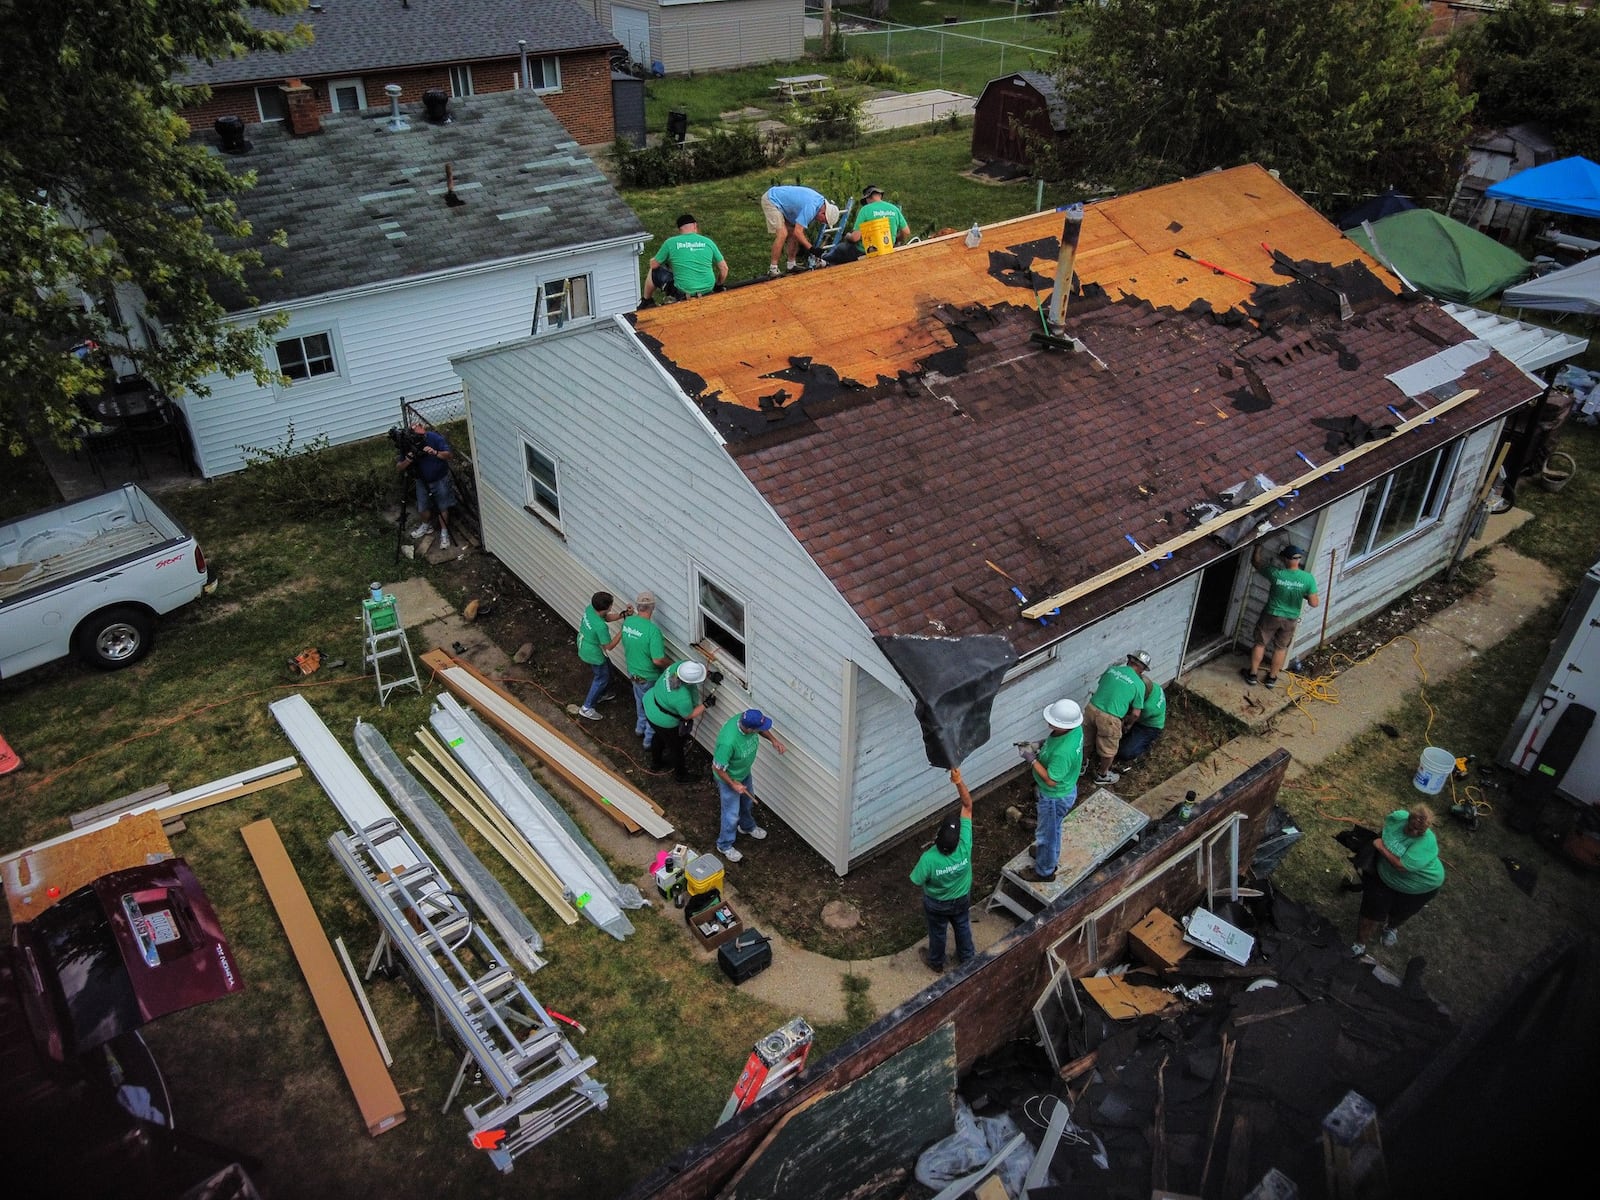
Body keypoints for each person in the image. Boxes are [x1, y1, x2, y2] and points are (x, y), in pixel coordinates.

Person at [1352, 805, 1445, 957]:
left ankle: (1391, 927)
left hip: (1420, 885)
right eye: (1412, 827)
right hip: (1386, 876)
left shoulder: (1426, 842)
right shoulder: (1397, 818)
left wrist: (1380, 846)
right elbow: (1387, 827)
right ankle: (1359, 945)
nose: (1415, 832)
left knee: (1401, 912)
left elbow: (1400, 866)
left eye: (1419, 831)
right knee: (1371, 911)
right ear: (1408, 819)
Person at [909, 767, 976, 974]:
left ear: (937, 838)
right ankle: (968, 959)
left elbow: (916, 880)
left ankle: (936, 962)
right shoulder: (964, 845)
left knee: (938, 932)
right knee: (962, 925)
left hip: (937, 903)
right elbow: (967, 805)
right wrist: (958, 781)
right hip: (962, 898)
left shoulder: (929, 859)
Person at [710, 708, 787, 863]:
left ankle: (746, 826)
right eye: (759, 728)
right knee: (731, 814)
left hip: (744, 773)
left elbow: (762, 730)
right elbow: (717, 767)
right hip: (729, 778)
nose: (762, 730)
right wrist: (733, 784)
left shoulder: (746, 720)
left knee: (747, 802)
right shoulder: (728, 741)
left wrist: (774, 740)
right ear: (749, 729)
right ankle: (724, 845)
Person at [1021, 699, 1083, 884]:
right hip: (1065, 790)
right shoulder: (1075, 730)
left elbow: (1051, 779)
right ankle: (1045, 855)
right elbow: (1054, 742)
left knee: (1047, 834)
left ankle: (1045, 870)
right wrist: (1038, 745)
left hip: (1054, 797)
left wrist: (1031, 759)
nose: (1049, 724)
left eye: (1054, 722)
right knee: (1052, 828)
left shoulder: (1063, 753)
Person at [1242, 542, 1319, 689]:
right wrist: (1301, 593)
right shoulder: (1308, 579)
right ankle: (1271, 678)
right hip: (1290, 618)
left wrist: (1258, 547)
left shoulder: (1276, 573)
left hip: (1272, 614)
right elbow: (1314, 603)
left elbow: (1256, 562)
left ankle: (1252, 675)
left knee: (1260, 643)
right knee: (1281, 648)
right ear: (1298, 560)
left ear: (1285, 559)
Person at [1083, 651, 1149, 785]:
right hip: (1110, 718)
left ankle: (1080, 765)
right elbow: (1136, 713)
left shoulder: (1112, 669)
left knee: (1085, 739)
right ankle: (1102, 775)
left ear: (1129, 660)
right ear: (1142, 669)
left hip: (1092, 708)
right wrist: (1128, 723)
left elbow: (1103, 686)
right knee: (1109, 749)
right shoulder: (1139, 684)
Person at [642, 213, 728, 303]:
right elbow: (724, 269)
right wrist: (719, 285)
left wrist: (653, 259)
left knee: (654, 270)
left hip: (683, 293)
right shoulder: (708, 242)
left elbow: (654, 265)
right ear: (695, 225)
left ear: (680, 229)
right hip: (707, 290)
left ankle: (646, 301)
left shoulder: (671, 243)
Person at [643, 659, 707, 781]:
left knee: (659, 736)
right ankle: (681, 775)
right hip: (664, 721)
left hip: (650, 704)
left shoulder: (675, 667)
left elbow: (692, 669)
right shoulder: (682, 698)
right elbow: (688, 715)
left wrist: (706, 673)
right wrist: (706, 705)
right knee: (676, 748)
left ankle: (656, 763)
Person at [621, 591, 670, 748]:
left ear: (637, 606)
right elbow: (657, 660)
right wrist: (671, 666)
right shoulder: (652, 631)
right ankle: (648, 740)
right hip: (648, 677)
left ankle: (639, 727)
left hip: (633, 672)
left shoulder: (628, 623)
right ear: (653, 607)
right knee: (651, 706)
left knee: (639, 700)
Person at [398, 421, 455, 549]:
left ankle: (444, 533)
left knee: (443, 507)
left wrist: (435, 452)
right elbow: (399, 467)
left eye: (422, 435)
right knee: (422, 506)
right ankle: (425, 525)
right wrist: (408, 459)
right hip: (421, 481)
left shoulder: (435, 438)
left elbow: (449, 455)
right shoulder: (408, 444)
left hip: (440, 479)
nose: (420, 438)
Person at [761, 184, 840, 277]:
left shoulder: (819, 203)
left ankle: (791, 265)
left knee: (793, 234)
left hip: (783, 204)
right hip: (772, 199)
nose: (821, 222)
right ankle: (773, 269)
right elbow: (798, 232)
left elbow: (797, 232)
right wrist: (812, 249)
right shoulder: (811, 207)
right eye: (824, 220)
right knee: (782, 234)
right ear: (823, 213)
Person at [822, 183, 909, 265]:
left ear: (868, 198)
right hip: (887, 248)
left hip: (865, 251)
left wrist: (848, 236)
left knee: (840, 249)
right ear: (880, 196)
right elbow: (906, 232)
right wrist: (896, 240)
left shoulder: (865, 210)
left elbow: (855, 238)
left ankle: (823, 259)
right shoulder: (894, 209)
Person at [575, 591, 626, 721]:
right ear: (606, 608)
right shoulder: (600, 627)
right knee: (601, 678)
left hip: (584, 642)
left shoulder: (590, 609)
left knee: (608, 670)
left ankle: (604, 693)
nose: (611, 608)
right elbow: (609, 646)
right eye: (611, 606)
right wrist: (623, 630)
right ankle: (586, 708)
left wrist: (622, 615)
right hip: (593, 652)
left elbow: (606, 617)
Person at [1118, 671, 1166, 763]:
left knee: (1125, 752)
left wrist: (1126, 724)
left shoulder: (1147, 708)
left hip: (1150, 727)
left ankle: (1145, 745)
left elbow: (1132, 718)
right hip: (1147, 717)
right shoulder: (1153, 686)